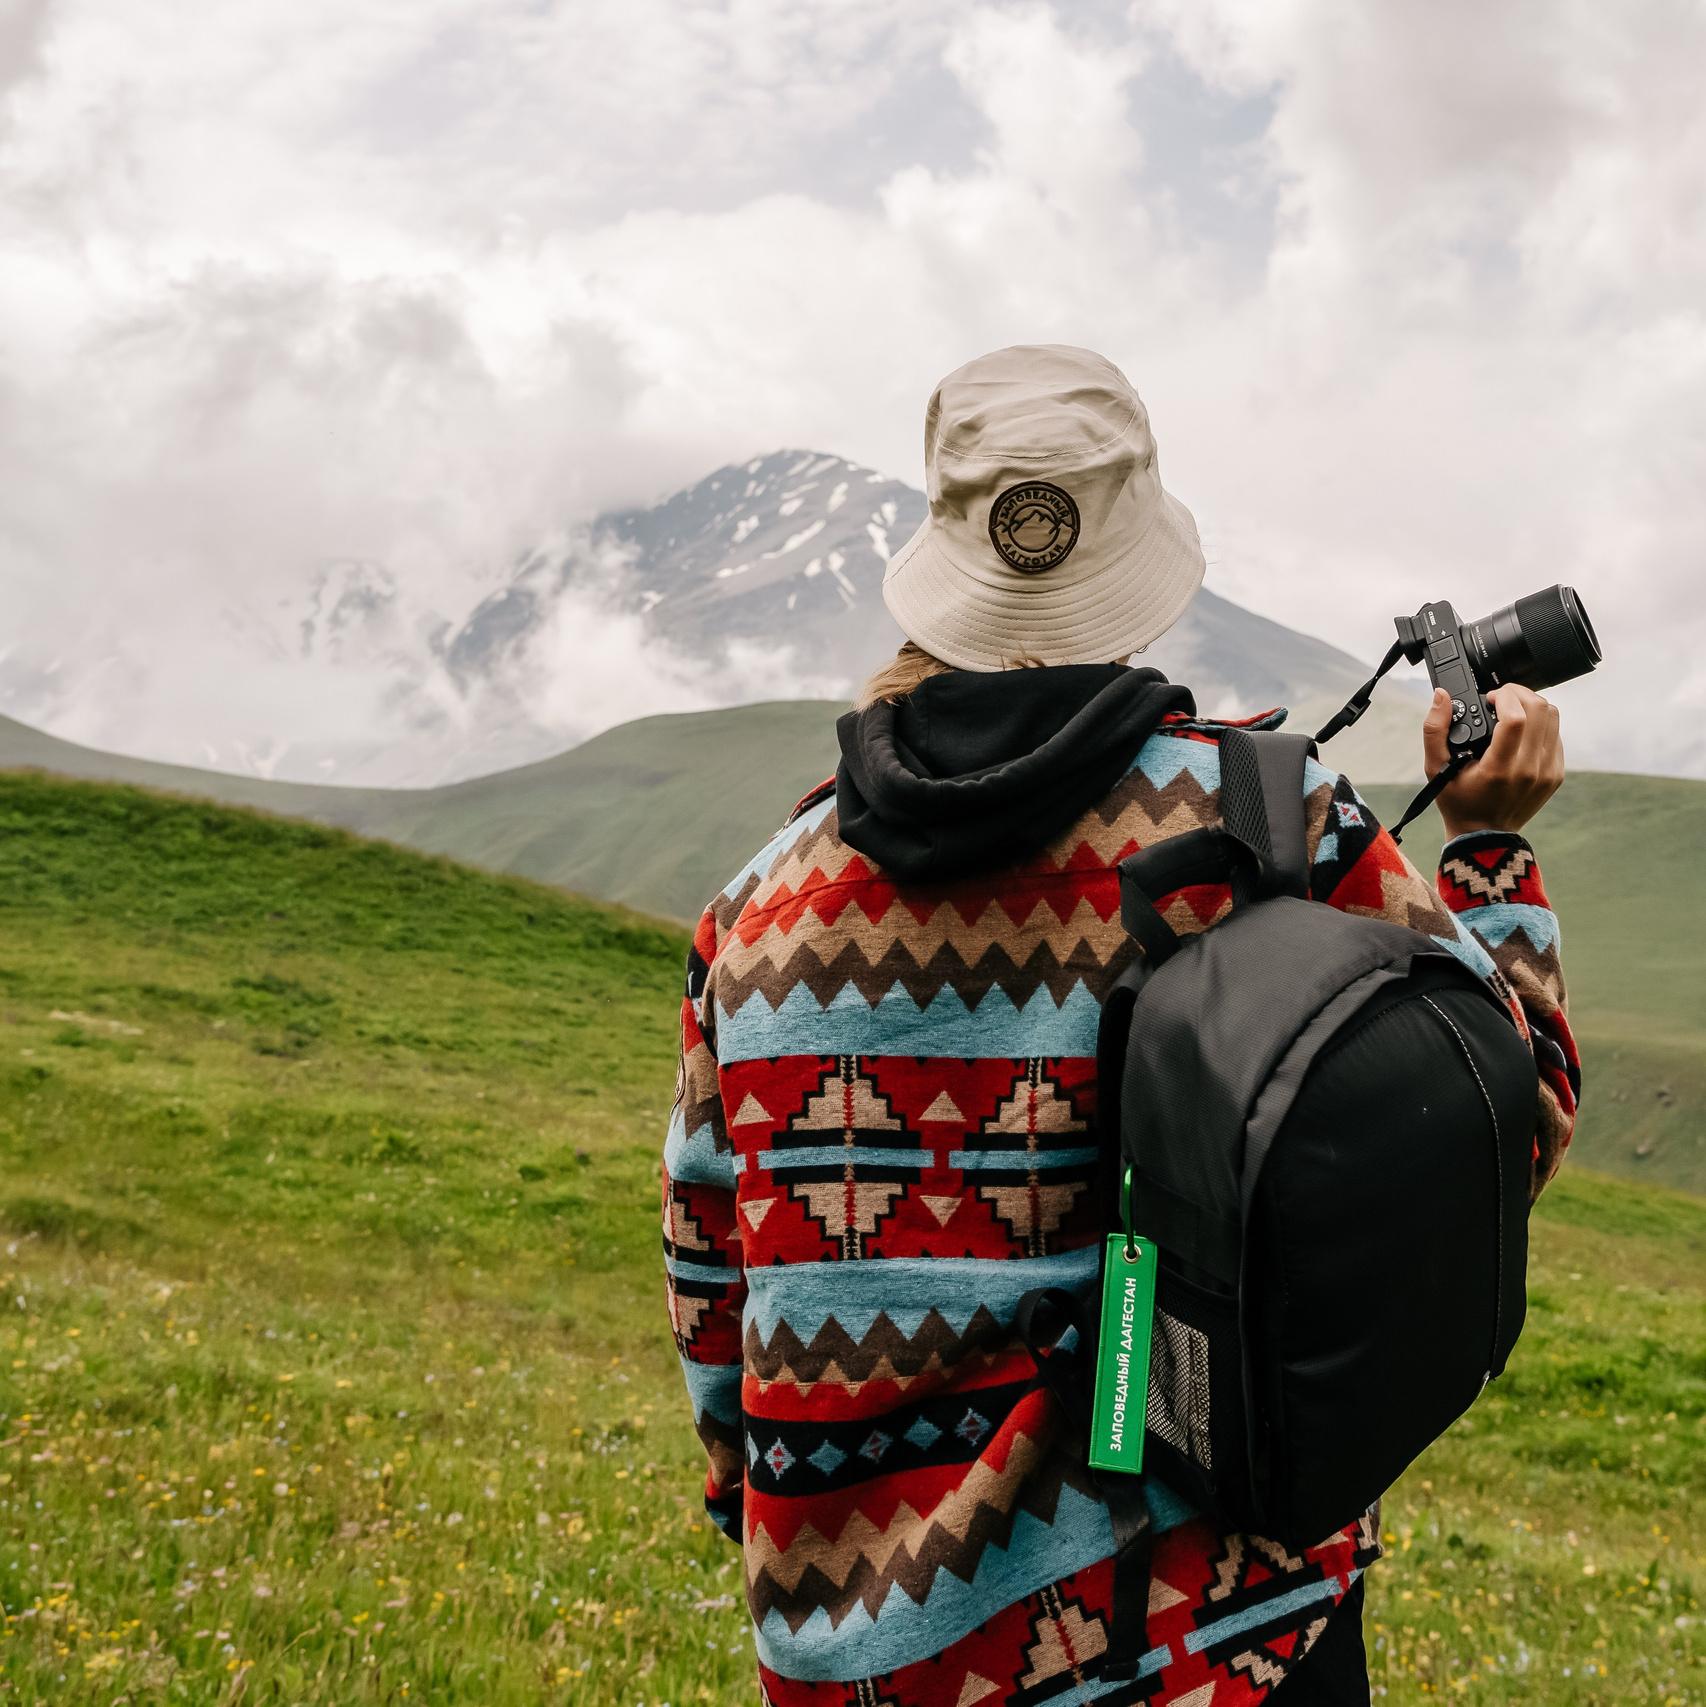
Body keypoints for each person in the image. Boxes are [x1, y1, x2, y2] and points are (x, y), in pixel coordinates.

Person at [661, 345, 1579, 1707]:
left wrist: (762, 1491)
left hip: (857, 1659)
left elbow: (711, 1287)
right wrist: (1490, 857)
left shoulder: (756, 909)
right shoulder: (1265, 826)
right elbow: (1500, 1124)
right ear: (1139, 552)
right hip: (1213, 1640)